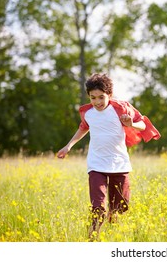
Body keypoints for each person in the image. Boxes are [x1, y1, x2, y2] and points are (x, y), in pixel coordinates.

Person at [57, 73, 160, 239]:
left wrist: (130, 123)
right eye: (92, 97)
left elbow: (142, 123)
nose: (97, 102)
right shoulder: (88, 113)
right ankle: (93, 237)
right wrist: (68, 146)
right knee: (98, 206)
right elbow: (83, 128)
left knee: (120, 206)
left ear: (109, 95)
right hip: (96, 164)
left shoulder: (120, 108)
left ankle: (113, 231)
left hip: (119, 164)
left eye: (101, 97)